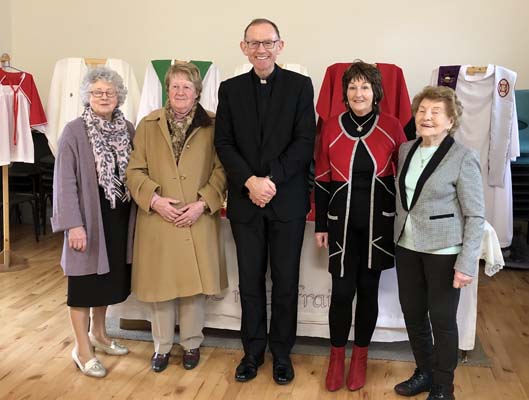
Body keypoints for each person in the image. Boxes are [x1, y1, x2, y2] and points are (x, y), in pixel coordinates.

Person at [214, 18, 316, 385]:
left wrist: (270, 180)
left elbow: (305, 142)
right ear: (244, 47)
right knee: (250, 282)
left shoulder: (300, 86)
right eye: (254, 43)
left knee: (286, 282)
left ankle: (282, 354)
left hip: (286, 201)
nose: (261, 49)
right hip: (246, 202)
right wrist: (250, 181)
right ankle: (253, 352)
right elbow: (223, 142)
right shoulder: (230, 89)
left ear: (280, 46)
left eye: (268, 43)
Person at [126, 62, 227, 373]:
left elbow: (223, 170)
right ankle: (162, 346)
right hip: (159, 217)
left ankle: (192, 343)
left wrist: (202, 204)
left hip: (198, 216)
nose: (180, 92)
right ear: (166, 90)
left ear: (197, 92)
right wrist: (155, 200)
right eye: (175, 86)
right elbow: (134, 171)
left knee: (193, 288)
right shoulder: (147, 125)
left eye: (187, 86)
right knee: (161, 286)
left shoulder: (214, 124)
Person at [314, 61, 407, 391]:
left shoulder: (392, 127)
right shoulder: (331, 127)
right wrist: (321, 225)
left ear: (376, 92)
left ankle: (360, 359)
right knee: (341, 293)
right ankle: (336, 358)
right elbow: (322, 179)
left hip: (378, 228)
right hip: (340, 226)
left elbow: (404, 178)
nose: (358, 93)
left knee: (368, 292)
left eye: (365, 87)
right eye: (352, 87)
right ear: (345, 93)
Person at [393, 86, 484, 400]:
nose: (426, 117)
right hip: (407, 246)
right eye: (422, 110)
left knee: (443, 321)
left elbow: (475, 215)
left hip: (444, 252)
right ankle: (425, 373)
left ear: (451, 121)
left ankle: (444, 387)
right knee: (413, 314)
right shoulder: (406, 149)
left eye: (435, 112)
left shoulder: (463, 157)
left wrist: (467, 263)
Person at [51, 67, 135, 378]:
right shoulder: (74, 131)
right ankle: (82, 349)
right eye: (97, 92)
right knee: (83, 284)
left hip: (118, 217)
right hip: (87, 218)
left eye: (109, 92)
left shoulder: (128, 129)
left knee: (107, 282)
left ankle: (99, 334)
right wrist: (73, 225)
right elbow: (64, 182)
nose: (104, 97)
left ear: (119, 97)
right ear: (87, 96)